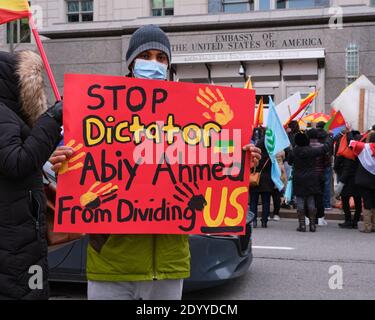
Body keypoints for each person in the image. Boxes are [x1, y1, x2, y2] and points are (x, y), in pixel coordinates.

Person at [48, 25, 262, 300]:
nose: (154, 64)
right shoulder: (99, 112)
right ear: (131, 63)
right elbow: (76, 174)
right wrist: (61, 164)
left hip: (168, 267)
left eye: (161, 58)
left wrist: (241, 159)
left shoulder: (189, 116)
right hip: (112, 266)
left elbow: (212, 174)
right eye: (146, 56)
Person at [0, 51, 63, 299]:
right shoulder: (3, 114)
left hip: (20, 237)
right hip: (15, 242)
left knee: (33, 288)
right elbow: (16, 162)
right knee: (30, 290)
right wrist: (51, 118)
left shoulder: (10, 117)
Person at [288, 132, 333, 232]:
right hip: (312, 177)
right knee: (311, 200)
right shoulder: (312, 150)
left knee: (300, 201)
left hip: (298, 178)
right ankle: (313, 225)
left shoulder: (294, 151)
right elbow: (325, 148)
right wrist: (329, 137)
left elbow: (290, 162)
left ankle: (302, 225)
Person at [334, 131, 362, 229]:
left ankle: (348, 220)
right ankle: (355, 221)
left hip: (346, 179)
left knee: (345, 200)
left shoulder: (345, 150)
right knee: (358, 200)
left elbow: (336, 165)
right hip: (358, 179)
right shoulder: (361, 149)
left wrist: (339, 173)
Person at [352, 130, 375, 233]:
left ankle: (367, 226)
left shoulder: (363, 148)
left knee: (366, 202)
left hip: (365, 180)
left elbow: (351, 143)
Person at [250, 137, 274, 228]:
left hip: (254, 180)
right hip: (267, 181)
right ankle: (264, 221)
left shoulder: (254, 156)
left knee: (253, 202)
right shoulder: (270, 156)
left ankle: (253, 221)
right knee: (266, 202)